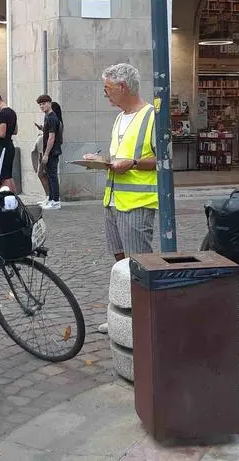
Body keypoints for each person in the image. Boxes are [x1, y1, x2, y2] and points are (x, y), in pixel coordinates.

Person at [86, 64, 157, 334]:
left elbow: (163, 160)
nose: (105, 94)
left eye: (107, 88)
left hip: (137, 203)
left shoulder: (151, 116)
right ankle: (123, 316)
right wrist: (102, 161)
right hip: (113, 200)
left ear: (123, 87)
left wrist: (135, 163)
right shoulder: (119, 118)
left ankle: (144, 321)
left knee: (139, 262)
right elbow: (119, 158)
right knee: (120, 264)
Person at [37, 95, 63, 209]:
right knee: (49, 174)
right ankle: (51, 199)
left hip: (52, 152)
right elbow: (49, 134)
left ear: (49, 103)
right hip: (50, 151)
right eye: (40, 104)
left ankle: (55, 201)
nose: (42, 106)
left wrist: (46, 154)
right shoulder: (48, 117)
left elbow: (51, 138)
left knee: (52, 176)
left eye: (43, 103)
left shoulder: (52, 118)